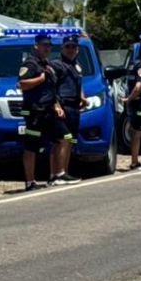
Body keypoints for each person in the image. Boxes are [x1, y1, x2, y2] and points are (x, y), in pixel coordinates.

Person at [18, 33, 66, 191]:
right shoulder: (30, 64)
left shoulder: (48, 65)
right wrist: (40, 79)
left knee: (63, 138)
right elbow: (22, 84)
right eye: (44, 45)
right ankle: (30, 182)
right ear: (36, 46)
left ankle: (56, 175)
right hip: (35, 112)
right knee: (31, 146)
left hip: (49, 111)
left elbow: (51, 90)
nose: (47, 48)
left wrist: (57, 105)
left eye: (49, 46)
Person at [49, 34, 85, 185]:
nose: (71, 50)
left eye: (73, 47)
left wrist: (83, 97)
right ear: (62, 48)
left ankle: (64, 172)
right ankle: (57, 174)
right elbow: (50, 88)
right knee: (61, 140)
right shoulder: (55, 65)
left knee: (69, 141)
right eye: (68, 47)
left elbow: (78, 84)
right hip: (61, 107)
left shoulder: (76, 65)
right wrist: (56, 105)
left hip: (74, 107)